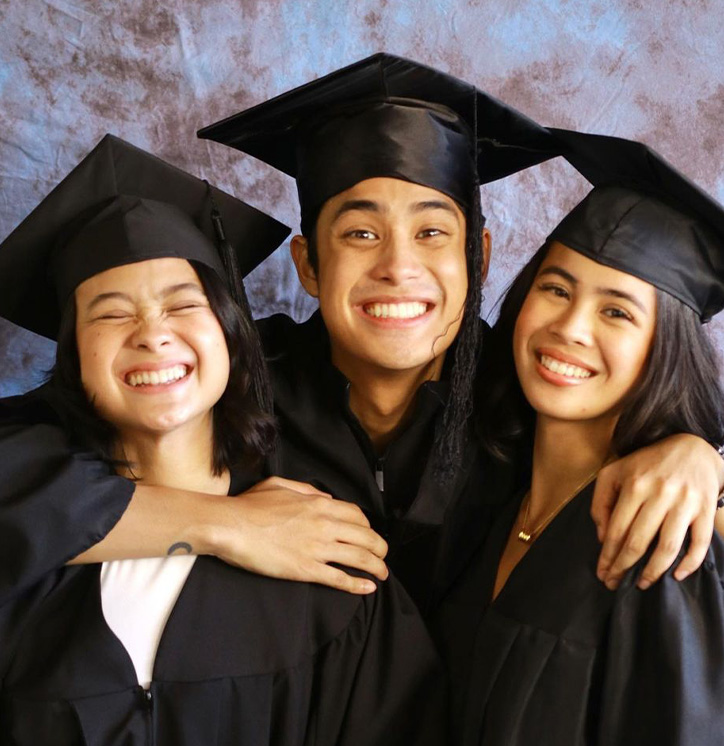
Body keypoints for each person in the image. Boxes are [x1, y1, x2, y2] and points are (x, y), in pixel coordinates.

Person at [3, 54, 721, 618]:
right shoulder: (232, 382)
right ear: (309, 265)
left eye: (433, 232)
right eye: (360, 232)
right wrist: (223, 525)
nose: (399, 267)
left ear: (481, 257)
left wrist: (701, 455)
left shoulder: (536, 389)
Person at [0, 135, 444, 746]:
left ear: (230, 332)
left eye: (181, 302)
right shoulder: (27, 573)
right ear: (75, 357)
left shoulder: (330, 568)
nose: (152, 332)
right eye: (108, 313)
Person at [438, 129, 724, 746]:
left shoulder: (663, 553)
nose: (569, 329)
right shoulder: (481, 510)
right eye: (554, 290)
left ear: (663, 346)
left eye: (617, 311)